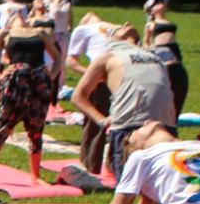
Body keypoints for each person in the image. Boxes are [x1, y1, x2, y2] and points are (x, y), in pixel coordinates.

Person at [69, 26, 175, 182]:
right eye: (119, 27)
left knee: (162, 185)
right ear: (111, 38)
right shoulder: (107, 57)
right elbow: (78, 96)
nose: (126, 25)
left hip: (163, 123)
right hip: (129, 125)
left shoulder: (155, 57)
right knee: (129, 185)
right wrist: (102, 120)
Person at [0, 14, 59, 192]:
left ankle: (36, 175)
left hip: (38, 83)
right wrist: (0, 77)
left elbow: (58, 58)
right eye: (13, 14)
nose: (18, 14)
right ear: (9, 22)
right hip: (14, 85)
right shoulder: (6, 33)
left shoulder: (40, 32)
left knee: (36, 128)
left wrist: (48, 77)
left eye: (21, 12)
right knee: (2, 126)